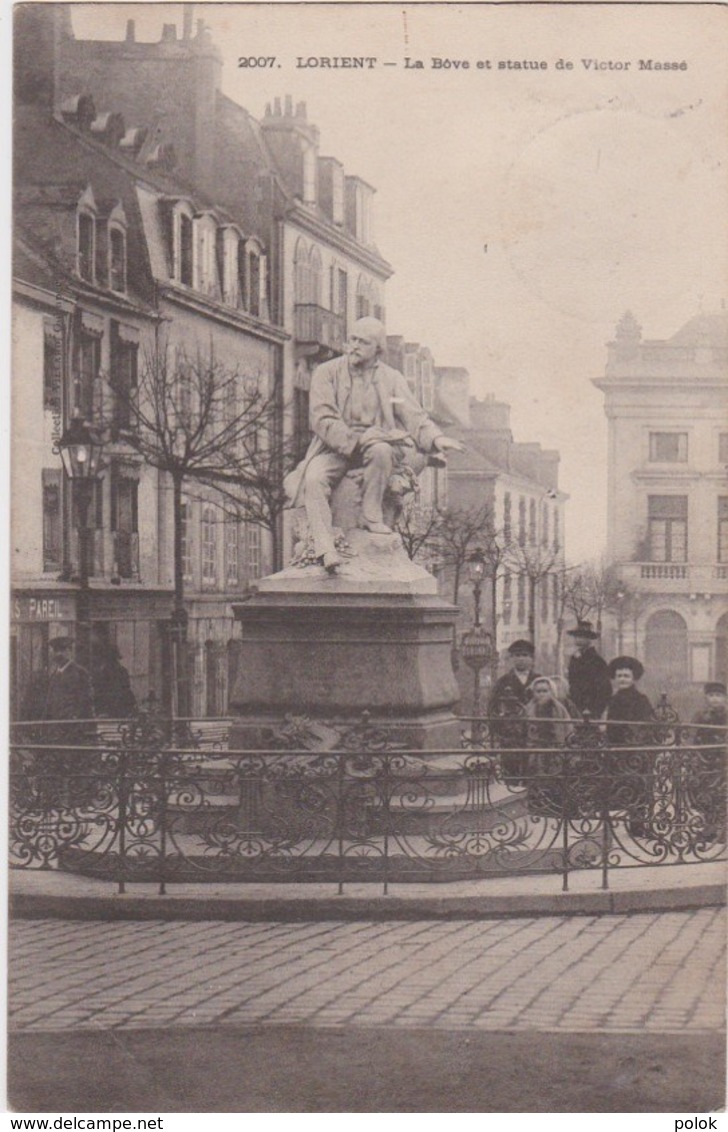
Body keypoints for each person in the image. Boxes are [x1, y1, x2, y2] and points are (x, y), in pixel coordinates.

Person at [283, 317, 464, 571]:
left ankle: (371, 516)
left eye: (363, 342)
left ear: (378, 349)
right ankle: (325, 549)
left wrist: (436, 438)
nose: (354, 346)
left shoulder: (392, 378)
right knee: (314, 478)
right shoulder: (326, 373)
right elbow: (322, 419)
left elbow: (413, 415)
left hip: (377, 446)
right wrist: (355, 440)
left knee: (382, 450)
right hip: (335, 448)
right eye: (352, 339)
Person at [605, 656, 655, 838]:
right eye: (619, 676)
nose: (622, 679)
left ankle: (638, 824)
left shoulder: (641, 699)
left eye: (626, 676)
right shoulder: (614, 699)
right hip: (617, 749)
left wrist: (635, 742)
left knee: (639, 786)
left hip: (635, 750)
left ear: (633, 678)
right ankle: (629, 822)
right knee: (623, 786)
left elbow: (646, 724)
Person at [41, 636, 94, 803]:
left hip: (72, 730)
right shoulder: (54, 674)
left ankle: (76, 801)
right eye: (56, 651)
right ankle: (58, 800)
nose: (59, 654)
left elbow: (85, 702)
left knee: (73, 764)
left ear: (70, 651)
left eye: (63, 650)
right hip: (55, 730)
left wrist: (75, 722)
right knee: (56, 764)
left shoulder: (80, 673)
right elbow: (50, 703)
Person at [488, 639, 541, 784]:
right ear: (511, 659)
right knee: (510, 772)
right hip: (511, 736)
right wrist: (501, 730)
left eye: (525, 655)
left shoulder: (540, 681)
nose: (521, 659)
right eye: (517, 655)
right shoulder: (503, 682)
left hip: (535, 734)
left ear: (531, 658)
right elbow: (492, 708)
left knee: (534, 771)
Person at [525, 676, 576, 819]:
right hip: (536, 750)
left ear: (551, 692)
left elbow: (568, 729)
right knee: (538, 779)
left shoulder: (559, 709)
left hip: (555, 749)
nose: (541, 694)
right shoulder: (529, 709)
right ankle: (539, 807)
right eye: (538, 691)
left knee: (556, 779)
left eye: (545, 691)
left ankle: (556, 808)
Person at [688, 682, 727, 841]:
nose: (715, 699)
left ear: (724, 698)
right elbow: (692, 734)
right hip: (704, 760)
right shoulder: (700, 715)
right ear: (706, 697)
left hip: (723, 761)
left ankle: (722, 830)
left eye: (718, 695)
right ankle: (709, 828)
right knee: (704, 794)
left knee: (722, 794)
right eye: (711, 695)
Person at [567, 620, 612, 720]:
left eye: (581, 636)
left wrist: (593, 709)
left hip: (591, 709)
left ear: (589, 639)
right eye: (576, 636)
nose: (577, 639)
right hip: (575, 707)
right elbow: (572, 682)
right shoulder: (574, 659)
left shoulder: (597, 661)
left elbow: (604, 689)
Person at [91, 627, 137, 718]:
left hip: (113, 710)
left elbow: (121, 692)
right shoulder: (121, 671)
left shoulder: (105, 672)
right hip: (118, 710)